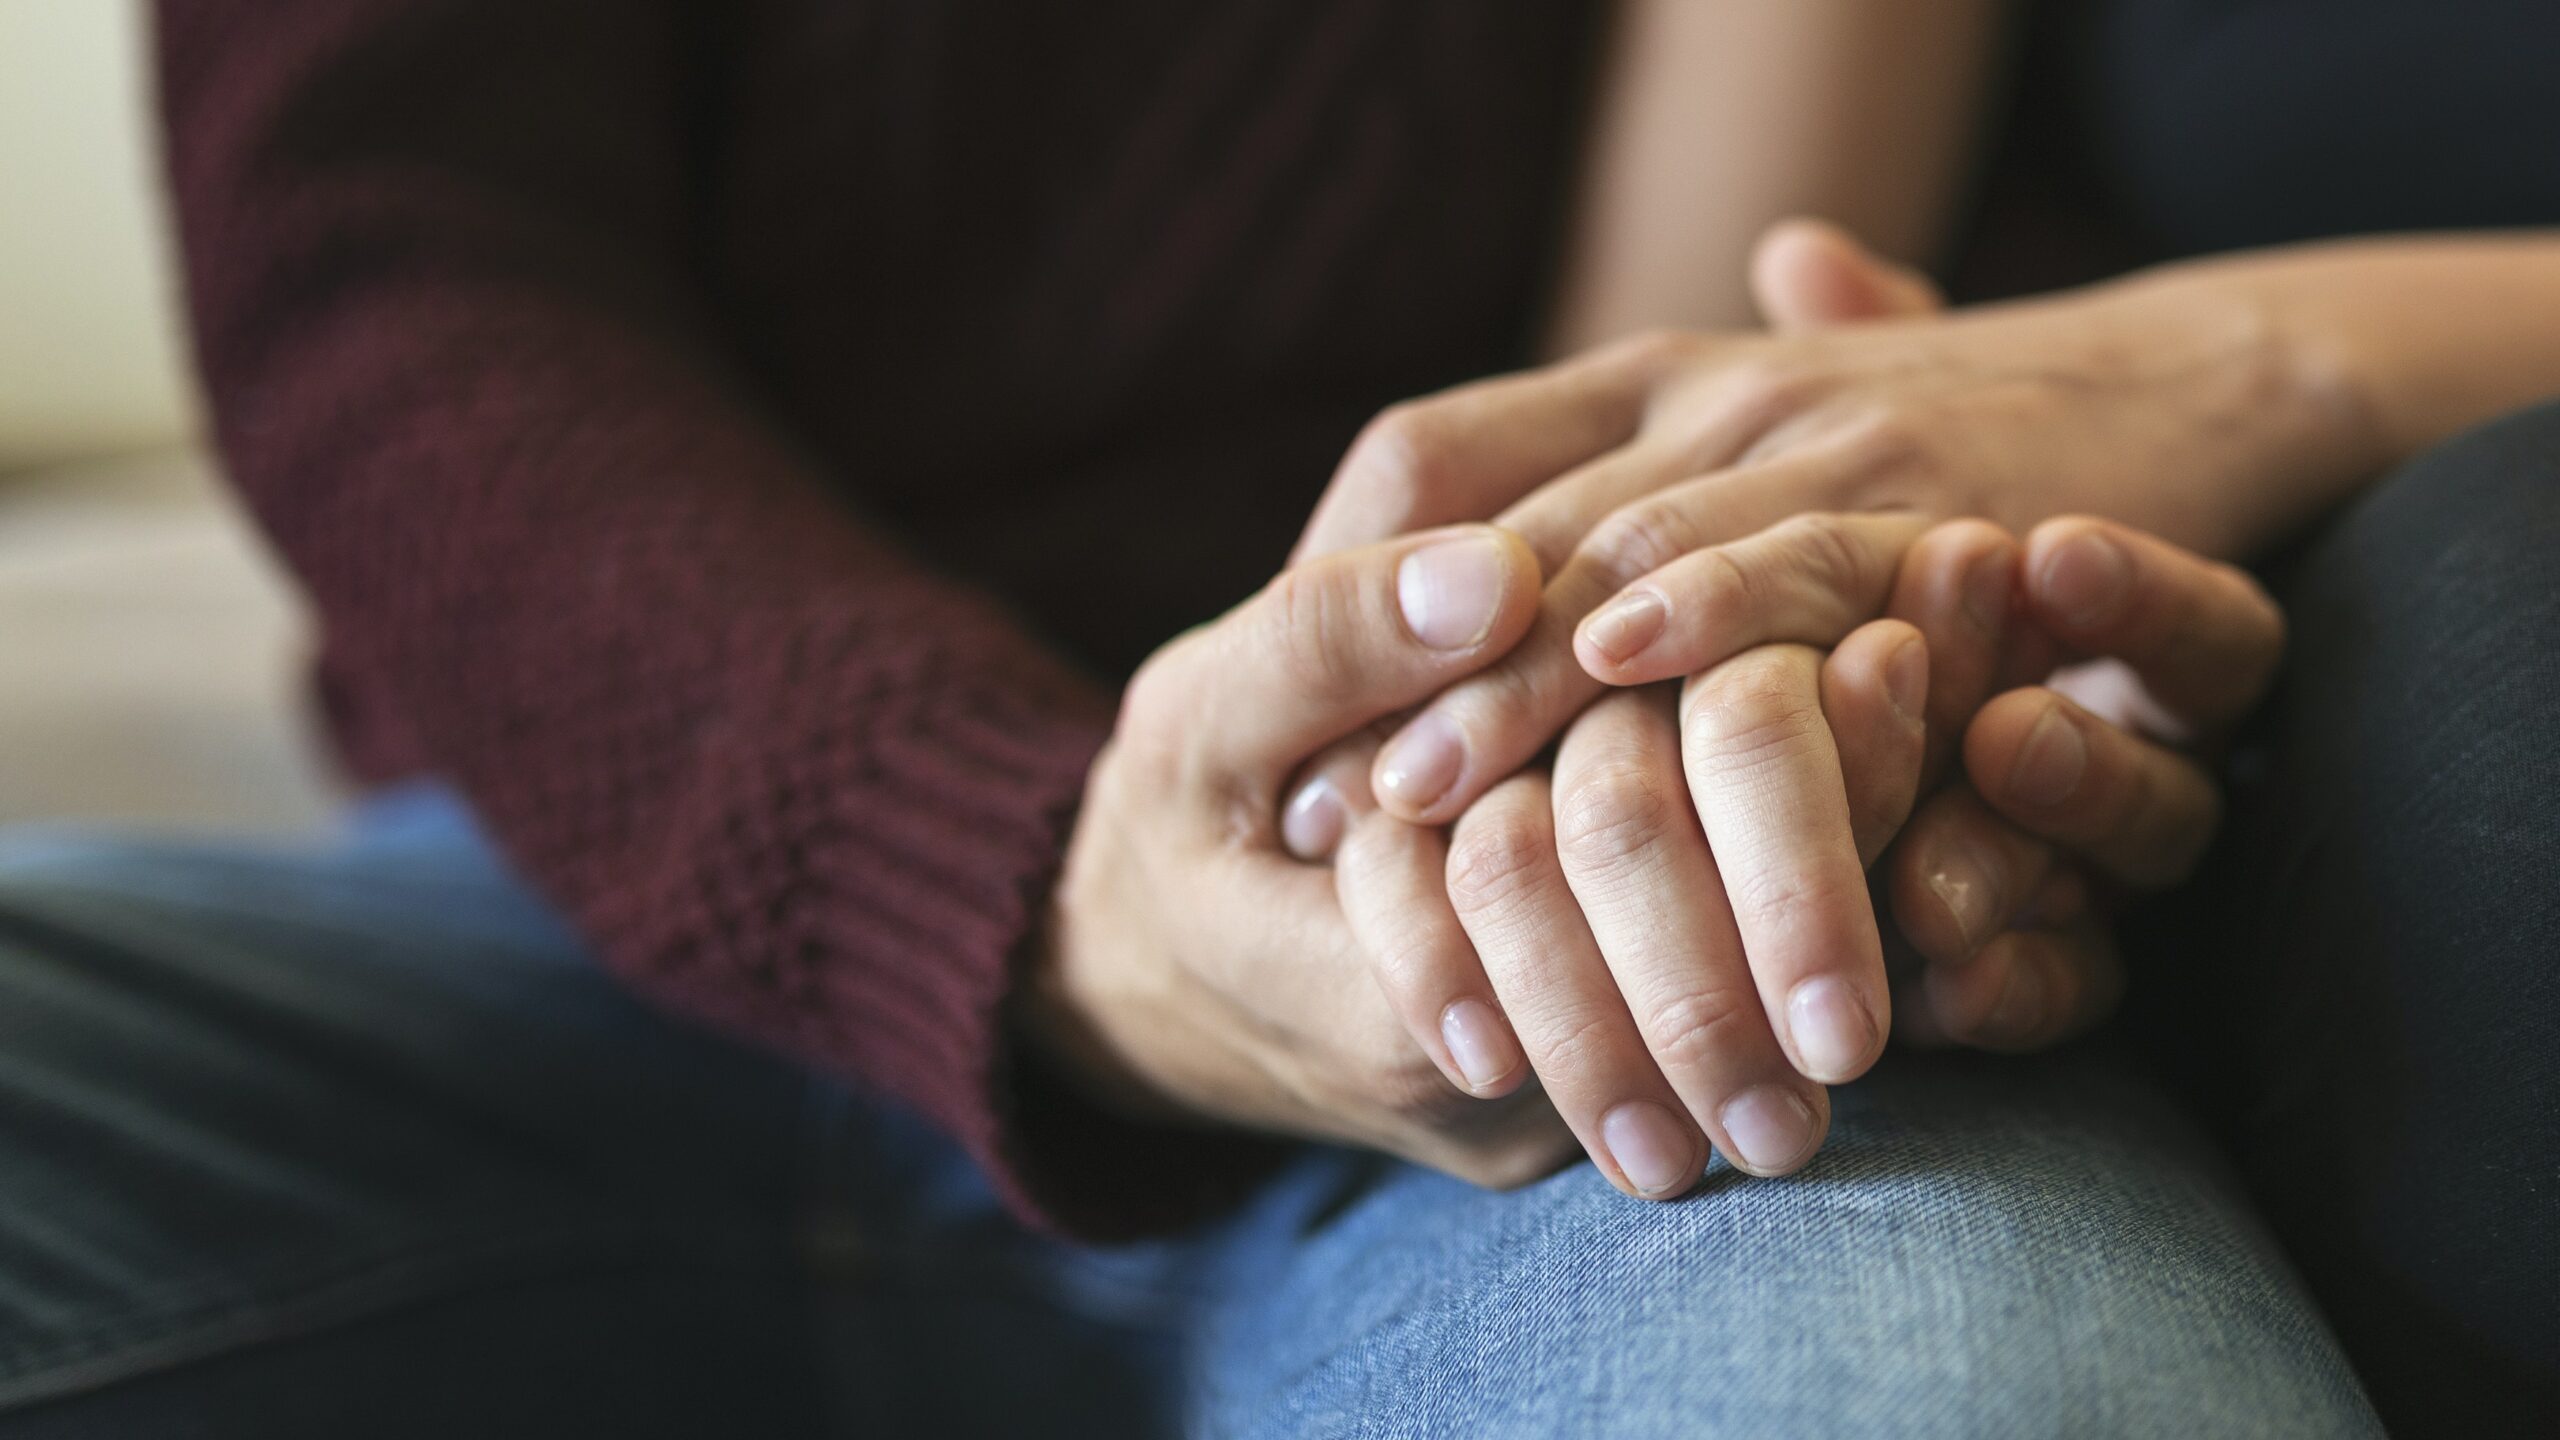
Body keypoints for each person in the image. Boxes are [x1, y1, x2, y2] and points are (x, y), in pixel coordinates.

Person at [0, 1, 2547, 1435]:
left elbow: (1692, 375)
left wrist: (1756, 678)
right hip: (595, 904)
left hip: (1569, 983)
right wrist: (1044, 896)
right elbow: (391, 300)